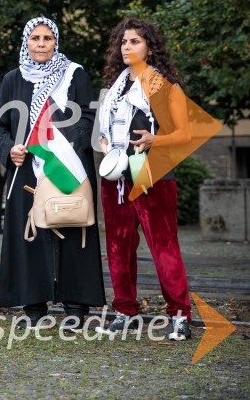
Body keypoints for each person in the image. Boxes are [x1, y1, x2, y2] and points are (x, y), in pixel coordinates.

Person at [0, 16, 105, 332]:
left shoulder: (74, 74)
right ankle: (34, 306)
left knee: (72, 227)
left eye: (47, 39)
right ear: (26, 42)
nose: (41, 44)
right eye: (35, 38)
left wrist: (62, 144)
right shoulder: (12, 79)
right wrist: (9, 148)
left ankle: (76, 307)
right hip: (26, 167)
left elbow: (90, 116)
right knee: (30, 232)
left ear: (56, 42)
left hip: (67, 165)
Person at [97, 17, 192, 340]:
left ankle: (180, 315)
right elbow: (103, 133)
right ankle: (125, 310)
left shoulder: (164, 86)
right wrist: (107, 146)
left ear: (150, 49)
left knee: (163, 247)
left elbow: (184, 134)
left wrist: (155, 141)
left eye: (135, 41)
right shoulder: (114, 89)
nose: (127, 47)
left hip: (154, 173)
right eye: (123, 42)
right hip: (116, 177)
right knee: (117, 247)